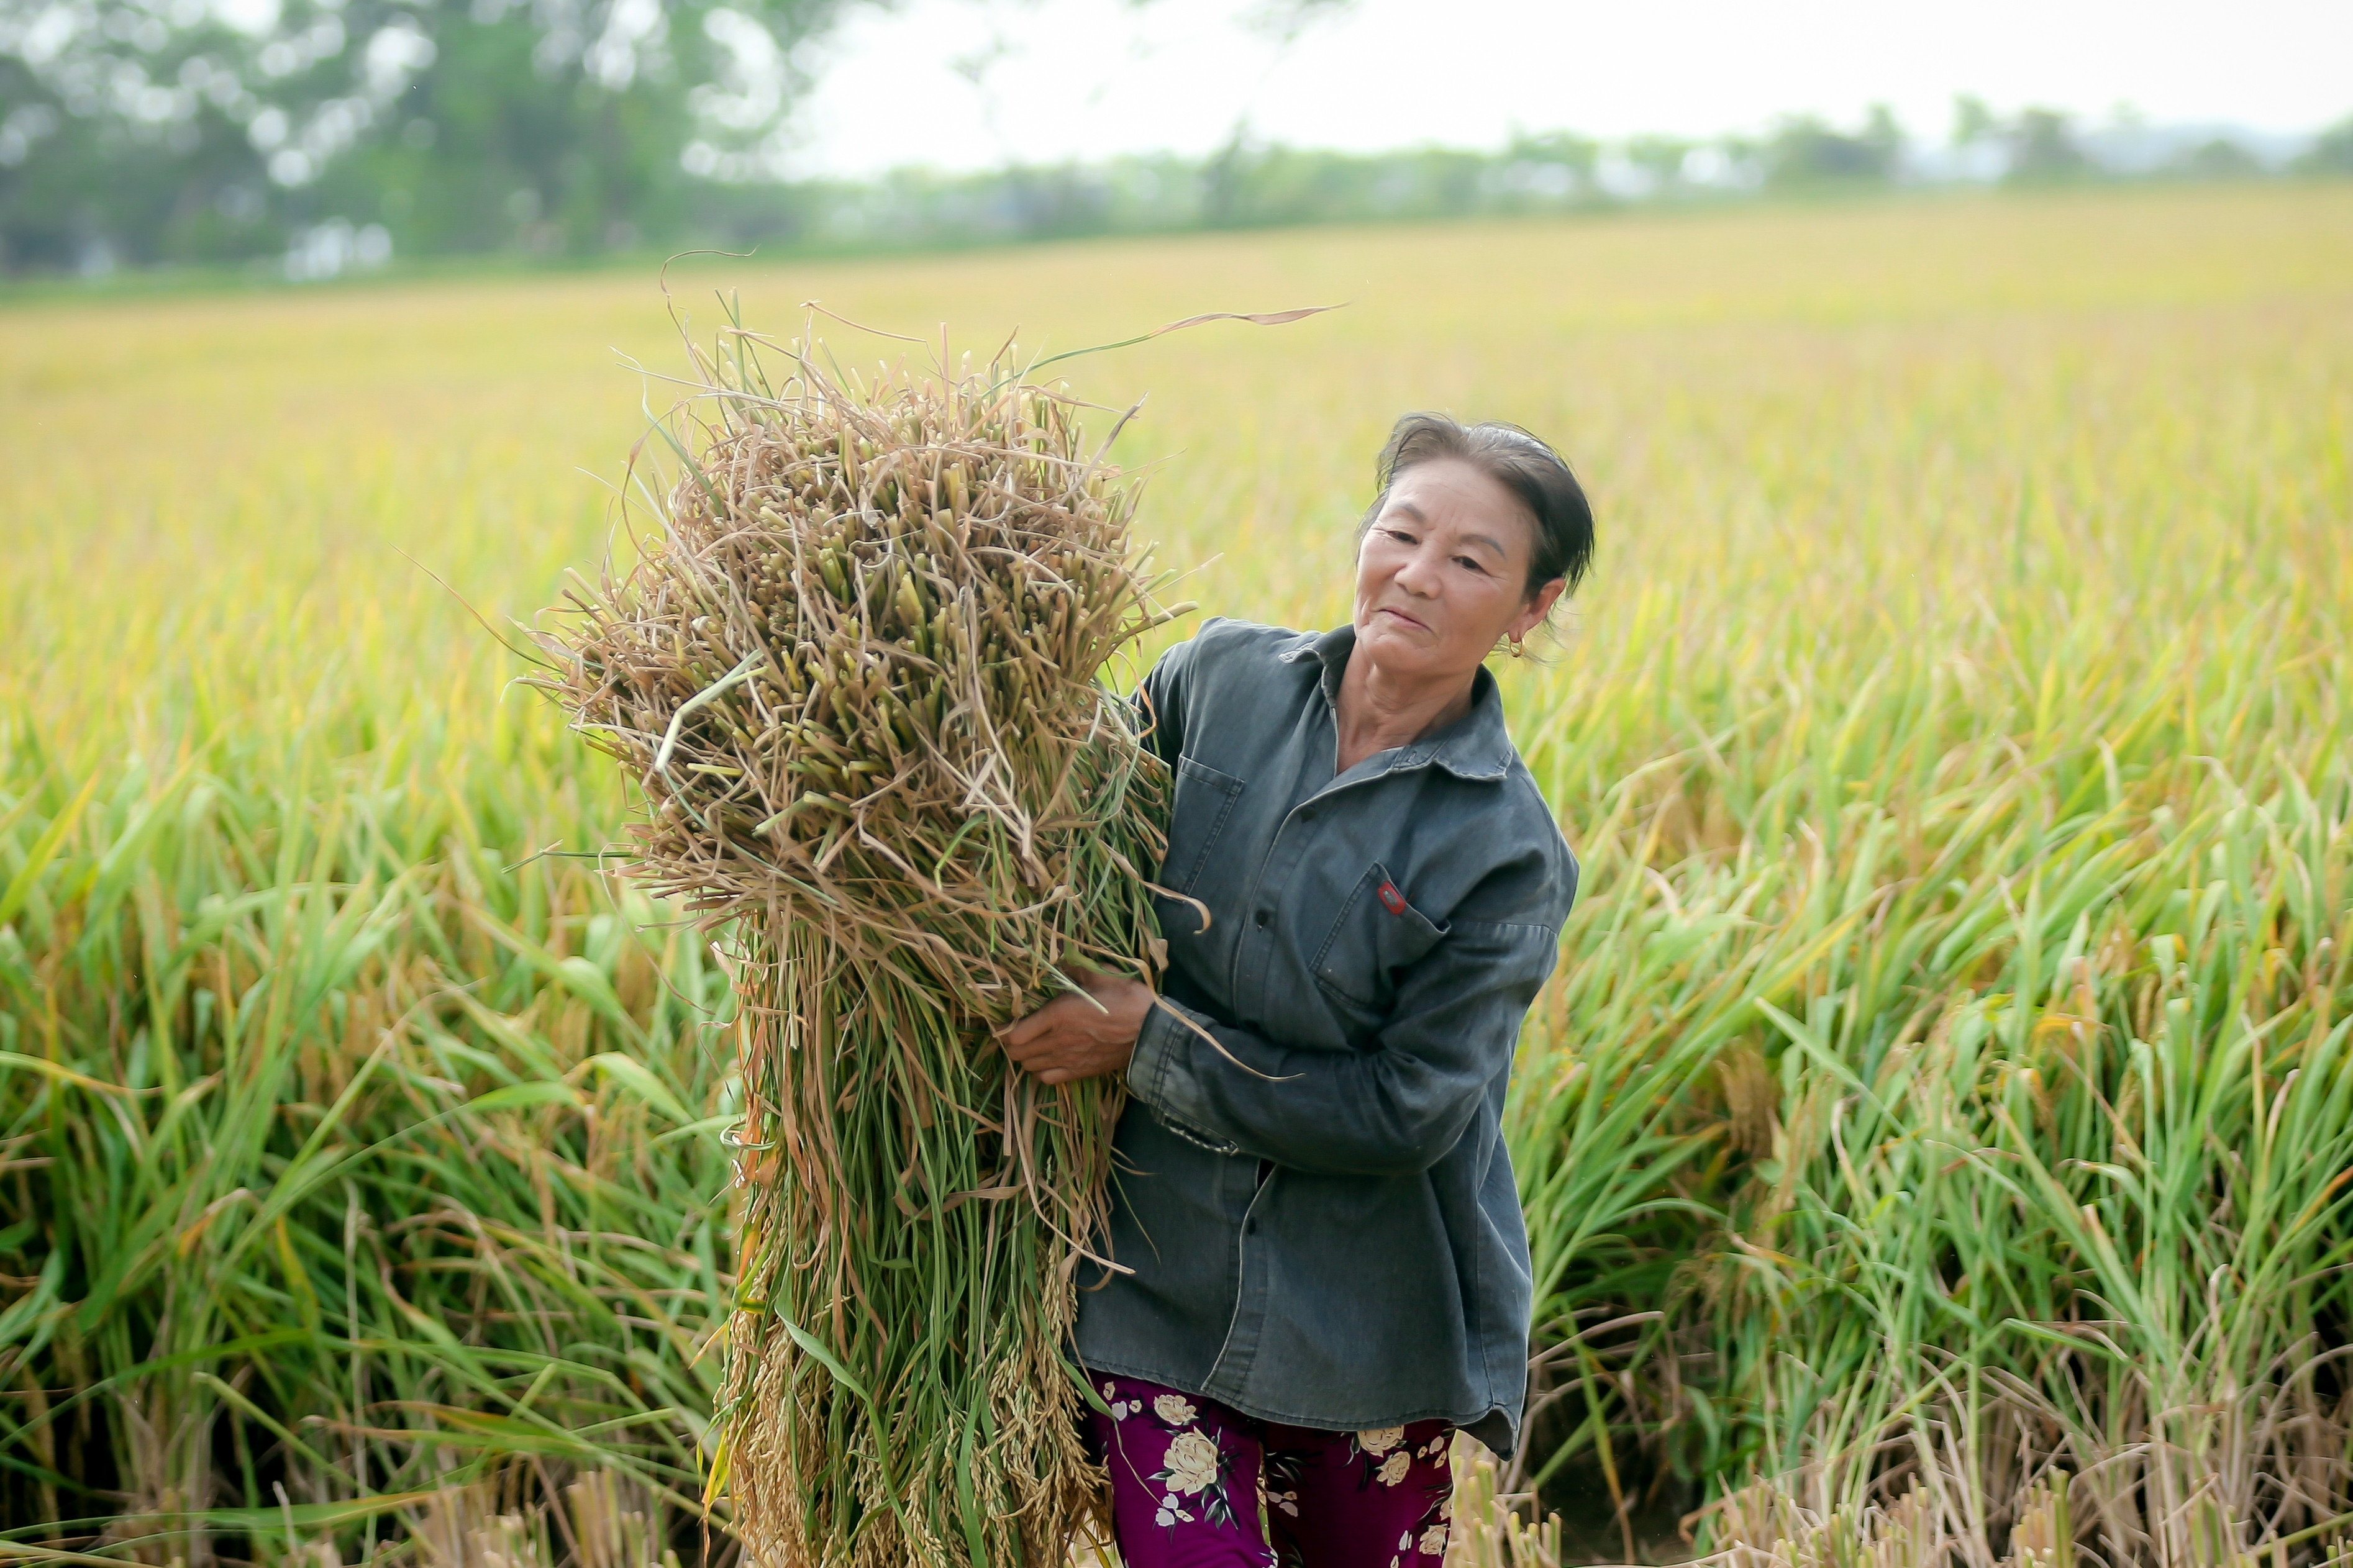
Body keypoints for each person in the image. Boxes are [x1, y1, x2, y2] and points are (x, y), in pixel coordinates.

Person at [1002, 412, 1592, 1568]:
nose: (1418, 575)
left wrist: (1149, 1046)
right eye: (1402, 531)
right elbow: (1058, 835)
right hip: (1153, 1279)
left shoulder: (1507, 853)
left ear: (1532, 608)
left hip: (1374, 1317)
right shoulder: (1215, 682)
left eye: (1472, 562)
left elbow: (1404, 1110)